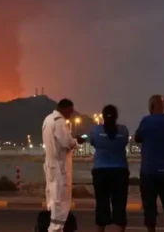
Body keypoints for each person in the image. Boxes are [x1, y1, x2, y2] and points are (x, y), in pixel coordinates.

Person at [134, 95, 164, 232]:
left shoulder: (146, 121)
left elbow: (137, 138)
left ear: (151, 106)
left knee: (149, 208)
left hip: (148, 171)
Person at [42, 98, 84, 232]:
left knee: (53, 200)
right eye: (70, 112)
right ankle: (55, 229)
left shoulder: (47, 120)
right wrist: (76, 141)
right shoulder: (59, 122)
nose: (70, 115)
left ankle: (54, 226)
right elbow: (67, 143)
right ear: (64, 108)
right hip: (60, 169)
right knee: (60, 202)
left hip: (50, 167)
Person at [89, 105, 130, 232]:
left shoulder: (95, 130)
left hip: (100, 171)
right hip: (120, 172)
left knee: (101, 205)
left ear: (102, 116)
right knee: (119, 206)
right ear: (117, 116)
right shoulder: (123, 130)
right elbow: (124, 143)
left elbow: (93, 143)